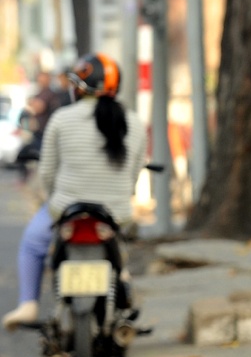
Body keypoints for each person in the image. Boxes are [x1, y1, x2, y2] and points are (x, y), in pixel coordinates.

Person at [3, 53, 146, 332]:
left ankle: (28, 304)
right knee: (122, 243)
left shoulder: (62, 119)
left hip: (66, 209)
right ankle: (122, 280)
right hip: (115, 212)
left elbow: (47, 173)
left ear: (79, 87)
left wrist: (53, 199)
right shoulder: (134, 123)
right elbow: (132, 176)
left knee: (33, 245)